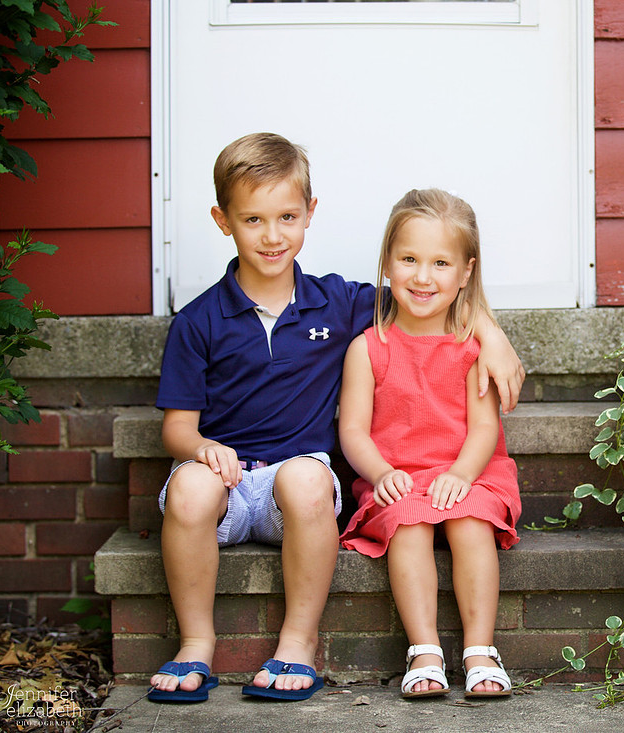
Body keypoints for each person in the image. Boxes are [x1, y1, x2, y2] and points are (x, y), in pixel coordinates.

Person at [148, 135, 524, 704]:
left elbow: (427, 295)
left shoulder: (340, 302)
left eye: (287, 217)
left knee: (303, 477)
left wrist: (491, 335)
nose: (272, 235)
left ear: (309, 215)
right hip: (225, 481)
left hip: (298, 483)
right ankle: (195, 643)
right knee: (191, 489)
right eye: (253, 219)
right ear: (223, 221)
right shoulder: (198, 320)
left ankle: (297, 643)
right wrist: (202, 448)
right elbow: (176, 428)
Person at [338, 189, 520, 700]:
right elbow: (352, 429)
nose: (423, 277)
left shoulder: (471, 347)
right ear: (387, 266)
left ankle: (481, 649)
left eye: (440, 263)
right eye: (410, 260)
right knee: (409, 525)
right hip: (397, 473)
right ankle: (424, 650)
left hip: (468, 470)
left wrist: (461, 475)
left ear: (465, 272)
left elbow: (484, 429)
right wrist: (379, 474)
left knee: (469, 522)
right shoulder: (368, 348)